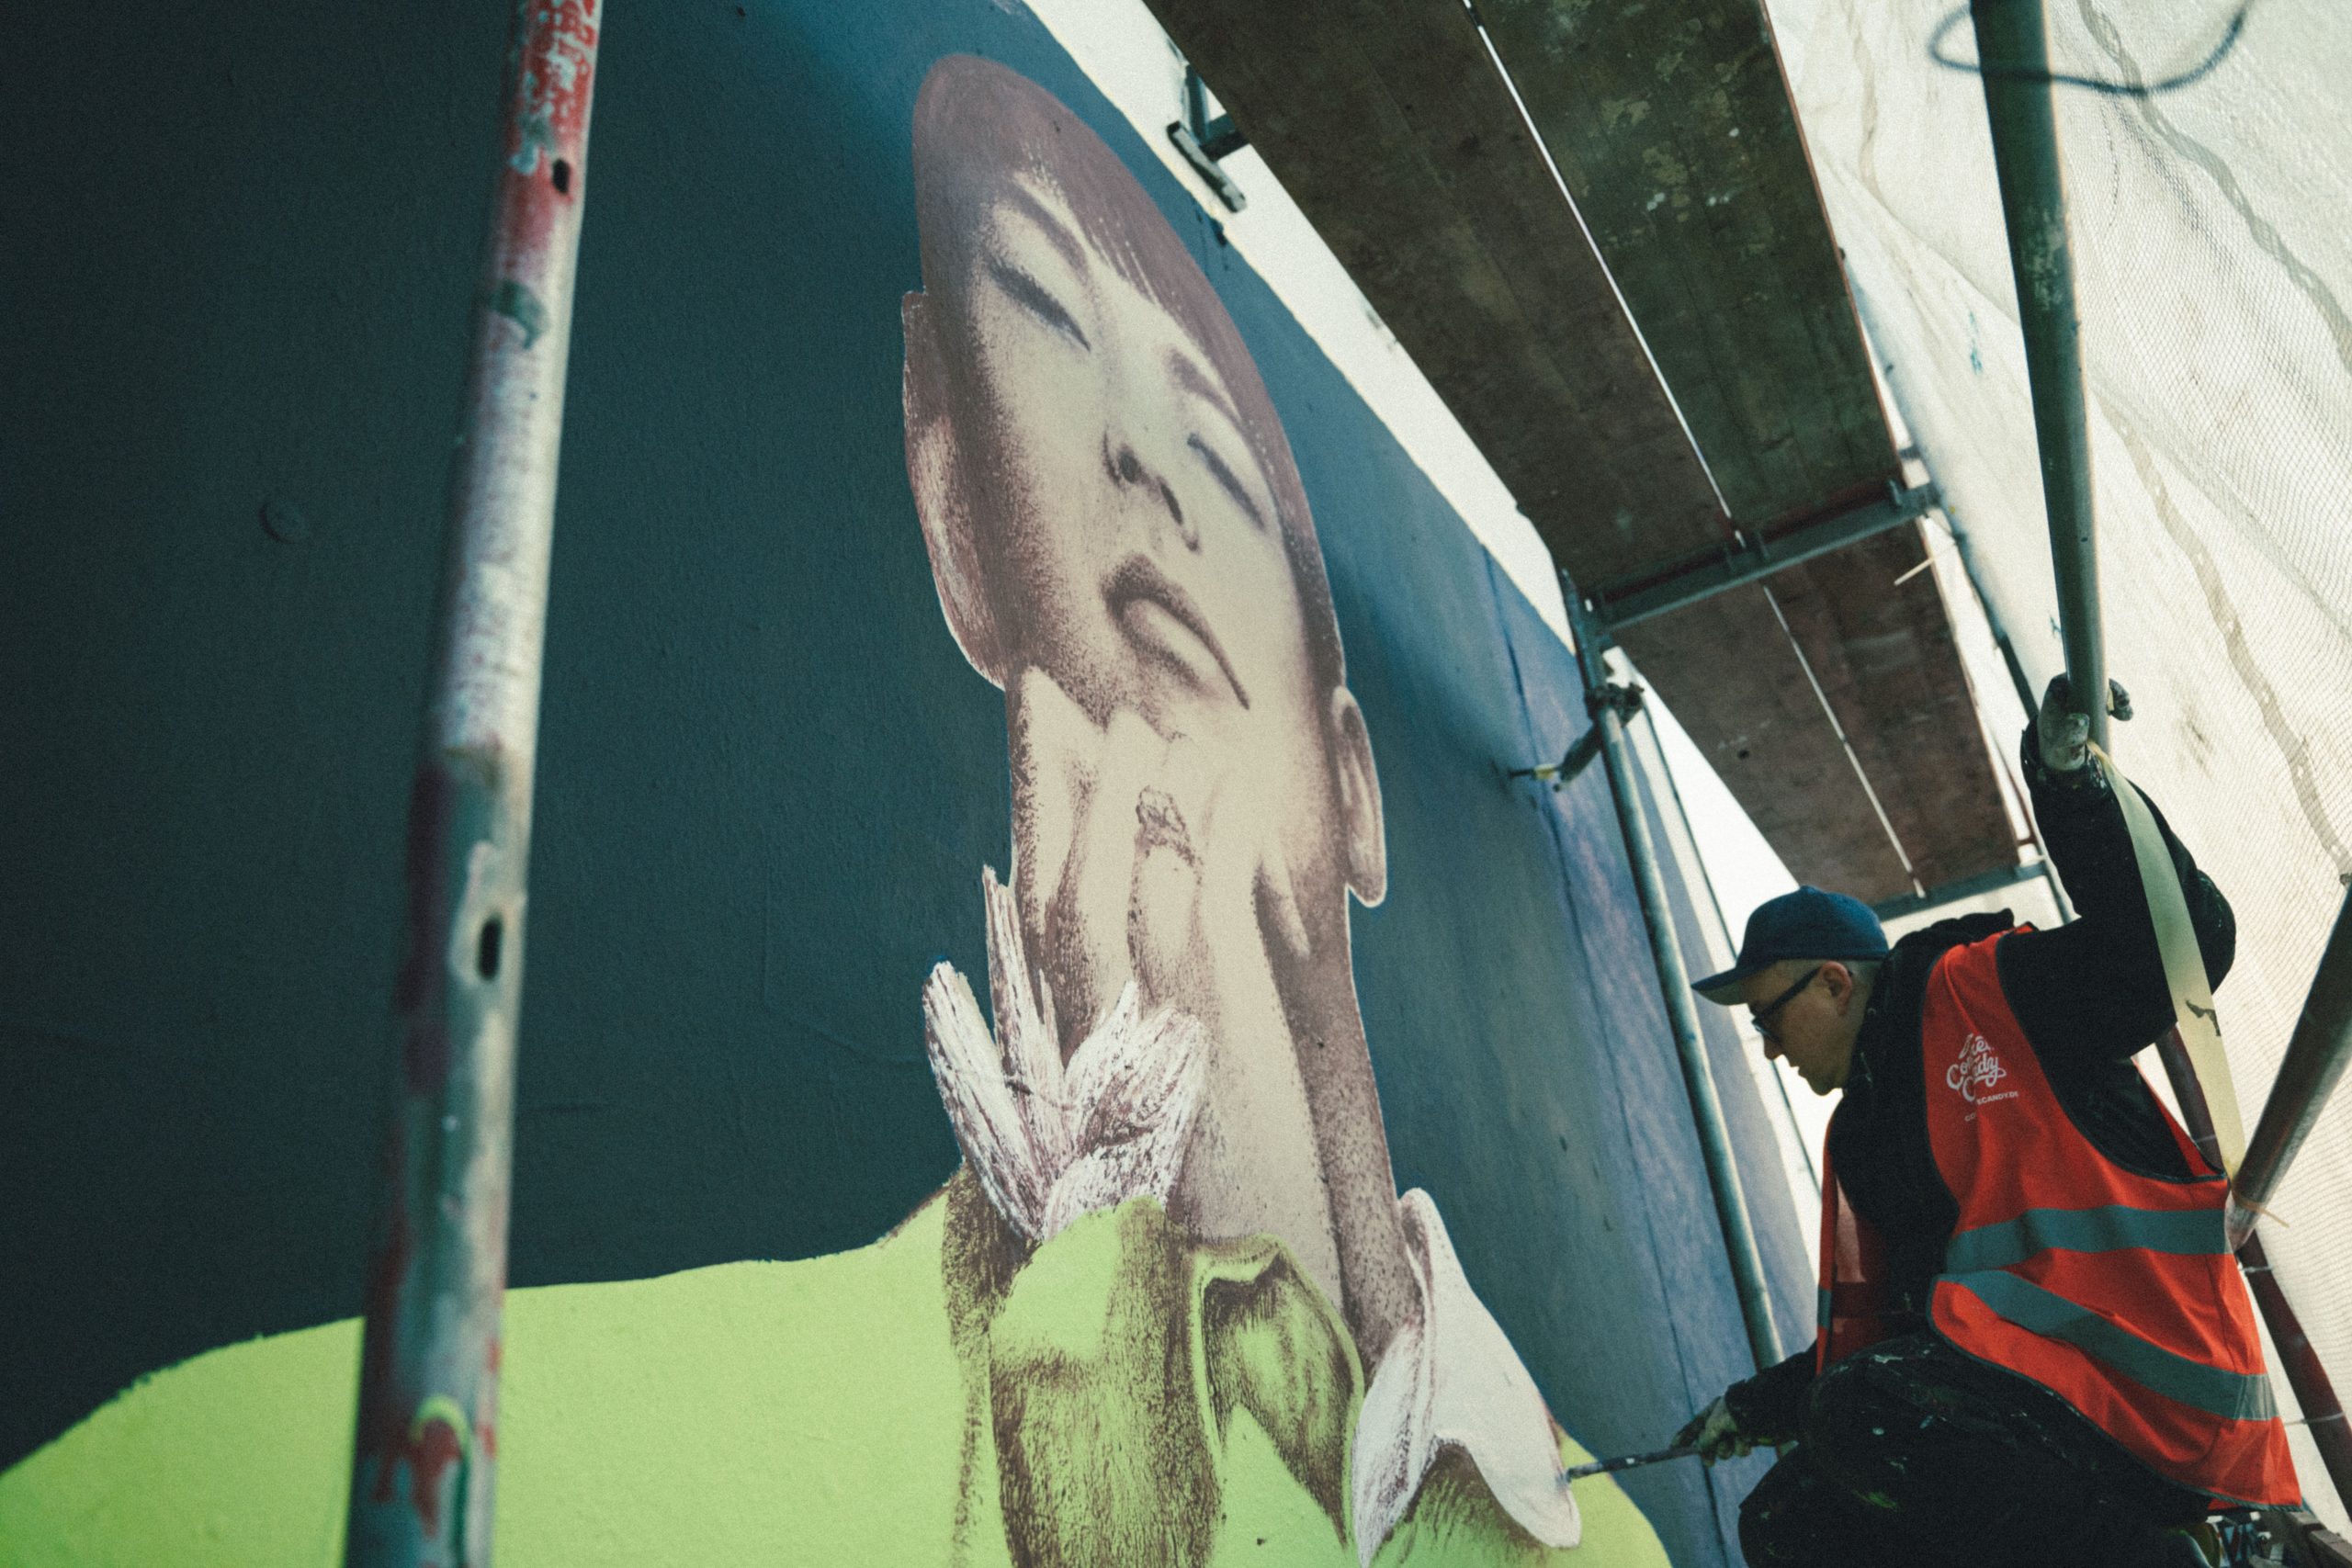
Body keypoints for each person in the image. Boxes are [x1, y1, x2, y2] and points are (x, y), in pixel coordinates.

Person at [0, 55, 1673, 1568]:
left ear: (1361, 790)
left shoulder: (1601, 1530)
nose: (1141, 463)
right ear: (959, 527)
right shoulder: (362, 1461)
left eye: (1219, 463)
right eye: (1055, 337)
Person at [1673, 677, 2300, 1568]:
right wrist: (1753, 1405)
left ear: (1834, 983)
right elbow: (1898, 1332)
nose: (1770, 1048)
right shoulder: (1868, 1136)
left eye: (1767, 1017)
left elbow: (2180, 948)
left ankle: (2193, 1559)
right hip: (2047, 1409)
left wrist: (2068, 783)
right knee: (1790, 1520)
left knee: (1860, 1412)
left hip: (2165, 1392)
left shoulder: (1985, 991)